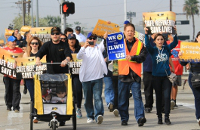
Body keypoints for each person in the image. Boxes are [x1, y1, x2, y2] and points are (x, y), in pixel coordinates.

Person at [35, 27, 72, 126]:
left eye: (56, 33)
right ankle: (49, 113)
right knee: (49, 94)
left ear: (60, 34)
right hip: (50, 75)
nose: (55, 35)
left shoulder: (64, 45)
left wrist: (66, 61)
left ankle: (62, 115)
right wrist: (38, 60)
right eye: (53, 33)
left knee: (62, 94)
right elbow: (39, 53)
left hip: (62, 75)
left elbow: (68, 55)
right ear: (51, 35)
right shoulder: (47, 45)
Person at [144, 27, 178, 125]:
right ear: (154, 41)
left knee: (167, 97)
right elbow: (147, 44)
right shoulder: (153, 50)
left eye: (162, 39)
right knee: (158, 97)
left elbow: (175, 43)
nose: (160, 41)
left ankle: (166, 117)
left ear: (164, 40)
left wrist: (175, 32)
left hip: (166, 77)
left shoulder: (166, 48)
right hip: (156, 77)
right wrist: (146, 34)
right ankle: (159, 117)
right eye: (158, 39)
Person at [118, 23, 147, 126]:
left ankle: (140, 118)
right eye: (128, 30)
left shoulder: (140, 44)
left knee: (138, 97)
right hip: (122, 74)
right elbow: (109, 50)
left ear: (134, 32)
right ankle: (124, 118)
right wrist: (105, 40)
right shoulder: (119, 43)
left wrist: (133, 57)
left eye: (131, 31)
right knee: (122, 99)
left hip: (135, 76)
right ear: (124, 32)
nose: (130, 32)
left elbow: (143, 57)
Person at [77, 32, 107, 124]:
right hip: (86, 79)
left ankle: (98, 115)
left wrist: (105, 37)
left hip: (98, 78)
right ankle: (90, 116)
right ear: (87, 40)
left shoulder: (98, 48)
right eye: (90, 38)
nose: (92, 40)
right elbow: (78, 56)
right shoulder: (83, 49)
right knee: (88, 99)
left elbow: (104, 42)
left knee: (98, 97)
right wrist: (84, 47)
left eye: (94, 39)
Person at [179, 31, 200, 126]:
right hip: (194, 77)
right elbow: (183, 63)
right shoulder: (191, 49)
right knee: (198, 97)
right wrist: (181, 56)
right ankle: (199, 117)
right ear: (197, 38)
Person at [23, 36, 43, 123]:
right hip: (29, 78)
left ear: (39, 44)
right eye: (33, 43)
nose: (34, 45)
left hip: (40, 78)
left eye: (36, 43)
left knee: (40, 96)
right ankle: (34, 114)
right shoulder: (26, 54)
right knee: (33, 96)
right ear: (30, 44)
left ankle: (39, 112)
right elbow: (23, 66)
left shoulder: (42, 54)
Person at [4, 36, 23, 113]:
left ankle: (16, 106)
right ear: (8, 42)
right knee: (8, 90)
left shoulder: (19, 50)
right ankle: (8, 105)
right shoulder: (4, 50)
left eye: (15, 41)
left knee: (16, 90)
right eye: (12, 42)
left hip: (16, 74)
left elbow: (23, 60)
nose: (14, 43)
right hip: (6, 74)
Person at [67, 33, 83, 119]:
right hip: (68, 74)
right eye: (70, 39)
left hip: (77, 74)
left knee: (78, 90)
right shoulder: (65, 49)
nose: (71, 40)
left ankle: (79, 107)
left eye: (73, 39)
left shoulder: (79, 49)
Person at [167, 35, 183, 109]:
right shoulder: (166, 43)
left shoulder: (181, 43)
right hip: (169, 69)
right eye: (170, 34)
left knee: (175, 85)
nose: (172, 36)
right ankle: (169, 100)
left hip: (178, 68)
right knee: (169, 85)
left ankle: (174, 100)